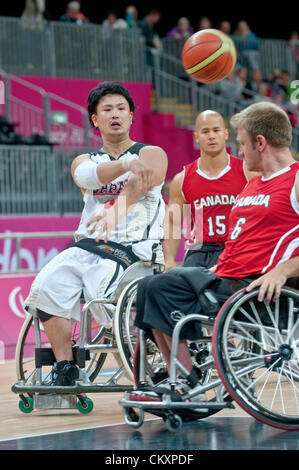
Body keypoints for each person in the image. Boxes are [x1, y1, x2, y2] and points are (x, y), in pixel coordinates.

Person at [131, 101, 299, 402]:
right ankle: (183, 377)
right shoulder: (247, 182)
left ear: (260, 143)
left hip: (257, 283)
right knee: (149, 287)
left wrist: (283, 270)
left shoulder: (289, 179)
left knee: (165, 291)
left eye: (242, 142)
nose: (240, 149)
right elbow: (173, 221)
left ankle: (184, 381)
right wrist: (169, 259)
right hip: (214, 266)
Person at [23, 81, 168, 386]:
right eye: (107, 110)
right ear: (95, 119)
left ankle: (148, 348)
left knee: (102, 298)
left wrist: (115, 212)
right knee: (45, 287)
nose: (115, 114)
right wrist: (125, 163)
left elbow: (137, 185)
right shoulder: (85, 160)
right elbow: (87, 176)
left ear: (131, 116)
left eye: (121, 109)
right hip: (87, 246)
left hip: (134, 249)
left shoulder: (152, 154)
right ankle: (65, 367)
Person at [163, 110, 253, 273]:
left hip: (237, 249)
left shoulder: (248, 172)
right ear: (196, 137)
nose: (211, 136)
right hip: (198, 253)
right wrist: (169, 260)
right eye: (205, 131)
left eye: (216, 130)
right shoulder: (182, 179)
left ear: (225, 134)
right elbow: (173, 222)